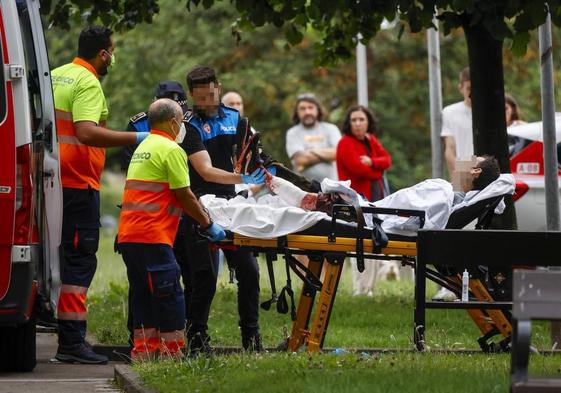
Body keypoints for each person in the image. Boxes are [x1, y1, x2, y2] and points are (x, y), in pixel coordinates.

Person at [51, 25, 150, 364]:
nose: (114, 56)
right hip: (78, 185)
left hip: (51, 182)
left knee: (58, 260)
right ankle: (72, 342)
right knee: (79, 262)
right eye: (114, 50)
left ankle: (61, 331)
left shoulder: (56, 75)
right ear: (104, 53)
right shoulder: (88, 81)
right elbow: (87, 132)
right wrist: (136, 139)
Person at [117, 99, 225, 361]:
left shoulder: (143, 147)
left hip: (130, 235)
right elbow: (184, 195)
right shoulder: (171, 149)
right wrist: (209, 224)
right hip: (152, 235)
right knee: (169, 294)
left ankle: (144, 354)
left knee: (143, 294)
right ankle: (173, 356)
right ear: (174, 122)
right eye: (181, 121)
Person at [176, 66, 266, 354]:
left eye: (211, 94)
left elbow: (248, 158)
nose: (208, 101)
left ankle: (251, 338)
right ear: (191, 95)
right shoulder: (187, 125)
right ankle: (197, 338)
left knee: (250, 272)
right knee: (202, 277)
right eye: (200, 97)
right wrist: (244, 178)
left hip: (234, 204)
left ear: (219, 86)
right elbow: (205, 170)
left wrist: (261, 172)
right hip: (200, 203)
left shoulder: (236, 118)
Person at [336, 105, 392, 296]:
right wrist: (377, 168)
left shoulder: (371, 140)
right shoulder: (345, 143)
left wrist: (372, 162)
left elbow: (388, 160)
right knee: (358, 243)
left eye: (362, 119)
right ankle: (359, 290)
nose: (358, 123)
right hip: (355, 204)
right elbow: (359, 170)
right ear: (348, 123)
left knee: (374, 242)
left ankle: (369, 290)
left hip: (375, 201)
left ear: (368, 122)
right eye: (354, 120)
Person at [122, 80, 189, 171]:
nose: (176, 120)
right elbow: (129, 166)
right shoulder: (138, 125)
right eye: (170, 114)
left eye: (180, 113)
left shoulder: (191, 121)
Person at [286, 93, 342, 182]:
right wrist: (327, 154)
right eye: (302, 109)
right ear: (297, 112)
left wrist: (312, 150)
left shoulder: (331, 129)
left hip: (332, 188)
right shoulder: (292, 133)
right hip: (304, 189)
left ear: (318, 109)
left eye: (310, 107)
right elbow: (300, 160)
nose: (307, 112)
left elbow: (339, 153)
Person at [442, 67, 472, 177]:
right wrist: (460, 176)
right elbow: (450, 148)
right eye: (469, 88)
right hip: (462, 172)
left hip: (487, 172)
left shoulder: (490, 111)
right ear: (461, 88)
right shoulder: (450, 112)